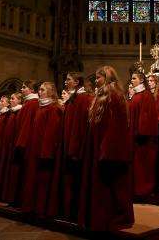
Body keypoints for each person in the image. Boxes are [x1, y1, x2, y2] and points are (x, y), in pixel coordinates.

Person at [78, 66, 134, 231]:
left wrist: (106, 149)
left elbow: (116, 126)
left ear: (108, 78)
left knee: (113, 184)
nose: (96, 81)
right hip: (98, 145)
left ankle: (117, 216)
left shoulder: (115, 95)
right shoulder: (101, 95)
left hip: (109, 149)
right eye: (96, 78)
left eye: (99, 78)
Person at [22, 82, 63, 218]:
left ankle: (41, 209)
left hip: (44, 153)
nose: (40, 92)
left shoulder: (53, 108)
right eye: (39, 89)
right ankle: (31, 207)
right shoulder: (40, 107)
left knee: (43, 181)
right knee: (32, 180)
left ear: (51, 92)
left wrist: (46, 152)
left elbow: (52, 132)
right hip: (34, 150)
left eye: (43, 90)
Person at [62, 72, 94, 221]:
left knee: (77, 182)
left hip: (77, 149)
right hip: (70, 146)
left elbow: (80, 127)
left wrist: (74, 148)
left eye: (68, 80)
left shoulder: (83, 99)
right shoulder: (74, 98)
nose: (65, 82)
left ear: (77, 82)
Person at [128, 72, 158, 197]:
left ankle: (143, 189)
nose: (132, 80)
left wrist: (140, 133)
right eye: (132, 78)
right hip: (134, 136)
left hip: (142, 138)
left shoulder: (145, 95)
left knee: (143, 165)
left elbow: (146, 117)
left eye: (134, 78)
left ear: (141, 80)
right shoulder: (136, 95)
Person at [0, 93, 23, 203]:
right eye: (10, 99)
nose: (11, 101)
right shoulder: (10, 113)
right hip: (5, 145)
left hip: (13, 145)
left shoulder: (18, 112)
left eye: (12, 99)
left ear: (19, 101)